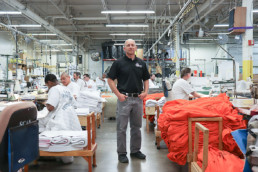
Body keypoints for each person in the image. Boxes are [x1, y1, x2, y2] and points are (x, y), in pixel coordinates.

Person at [107, 39, 150, 163]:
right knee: (122, 127)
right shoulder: (118, 63)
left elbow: (146, 79)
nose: (130, 47)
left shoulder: (141, 63)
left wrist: (145, 92)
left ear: (136, 48)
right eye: (128, 45)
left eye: (132, 45)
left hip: (138, 99)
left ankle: (135, 150)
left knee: (136, 127)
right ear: (124, 48)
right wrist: (118, 94)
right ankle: (122, 153)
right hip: (124, 99)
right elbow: (110, 80)